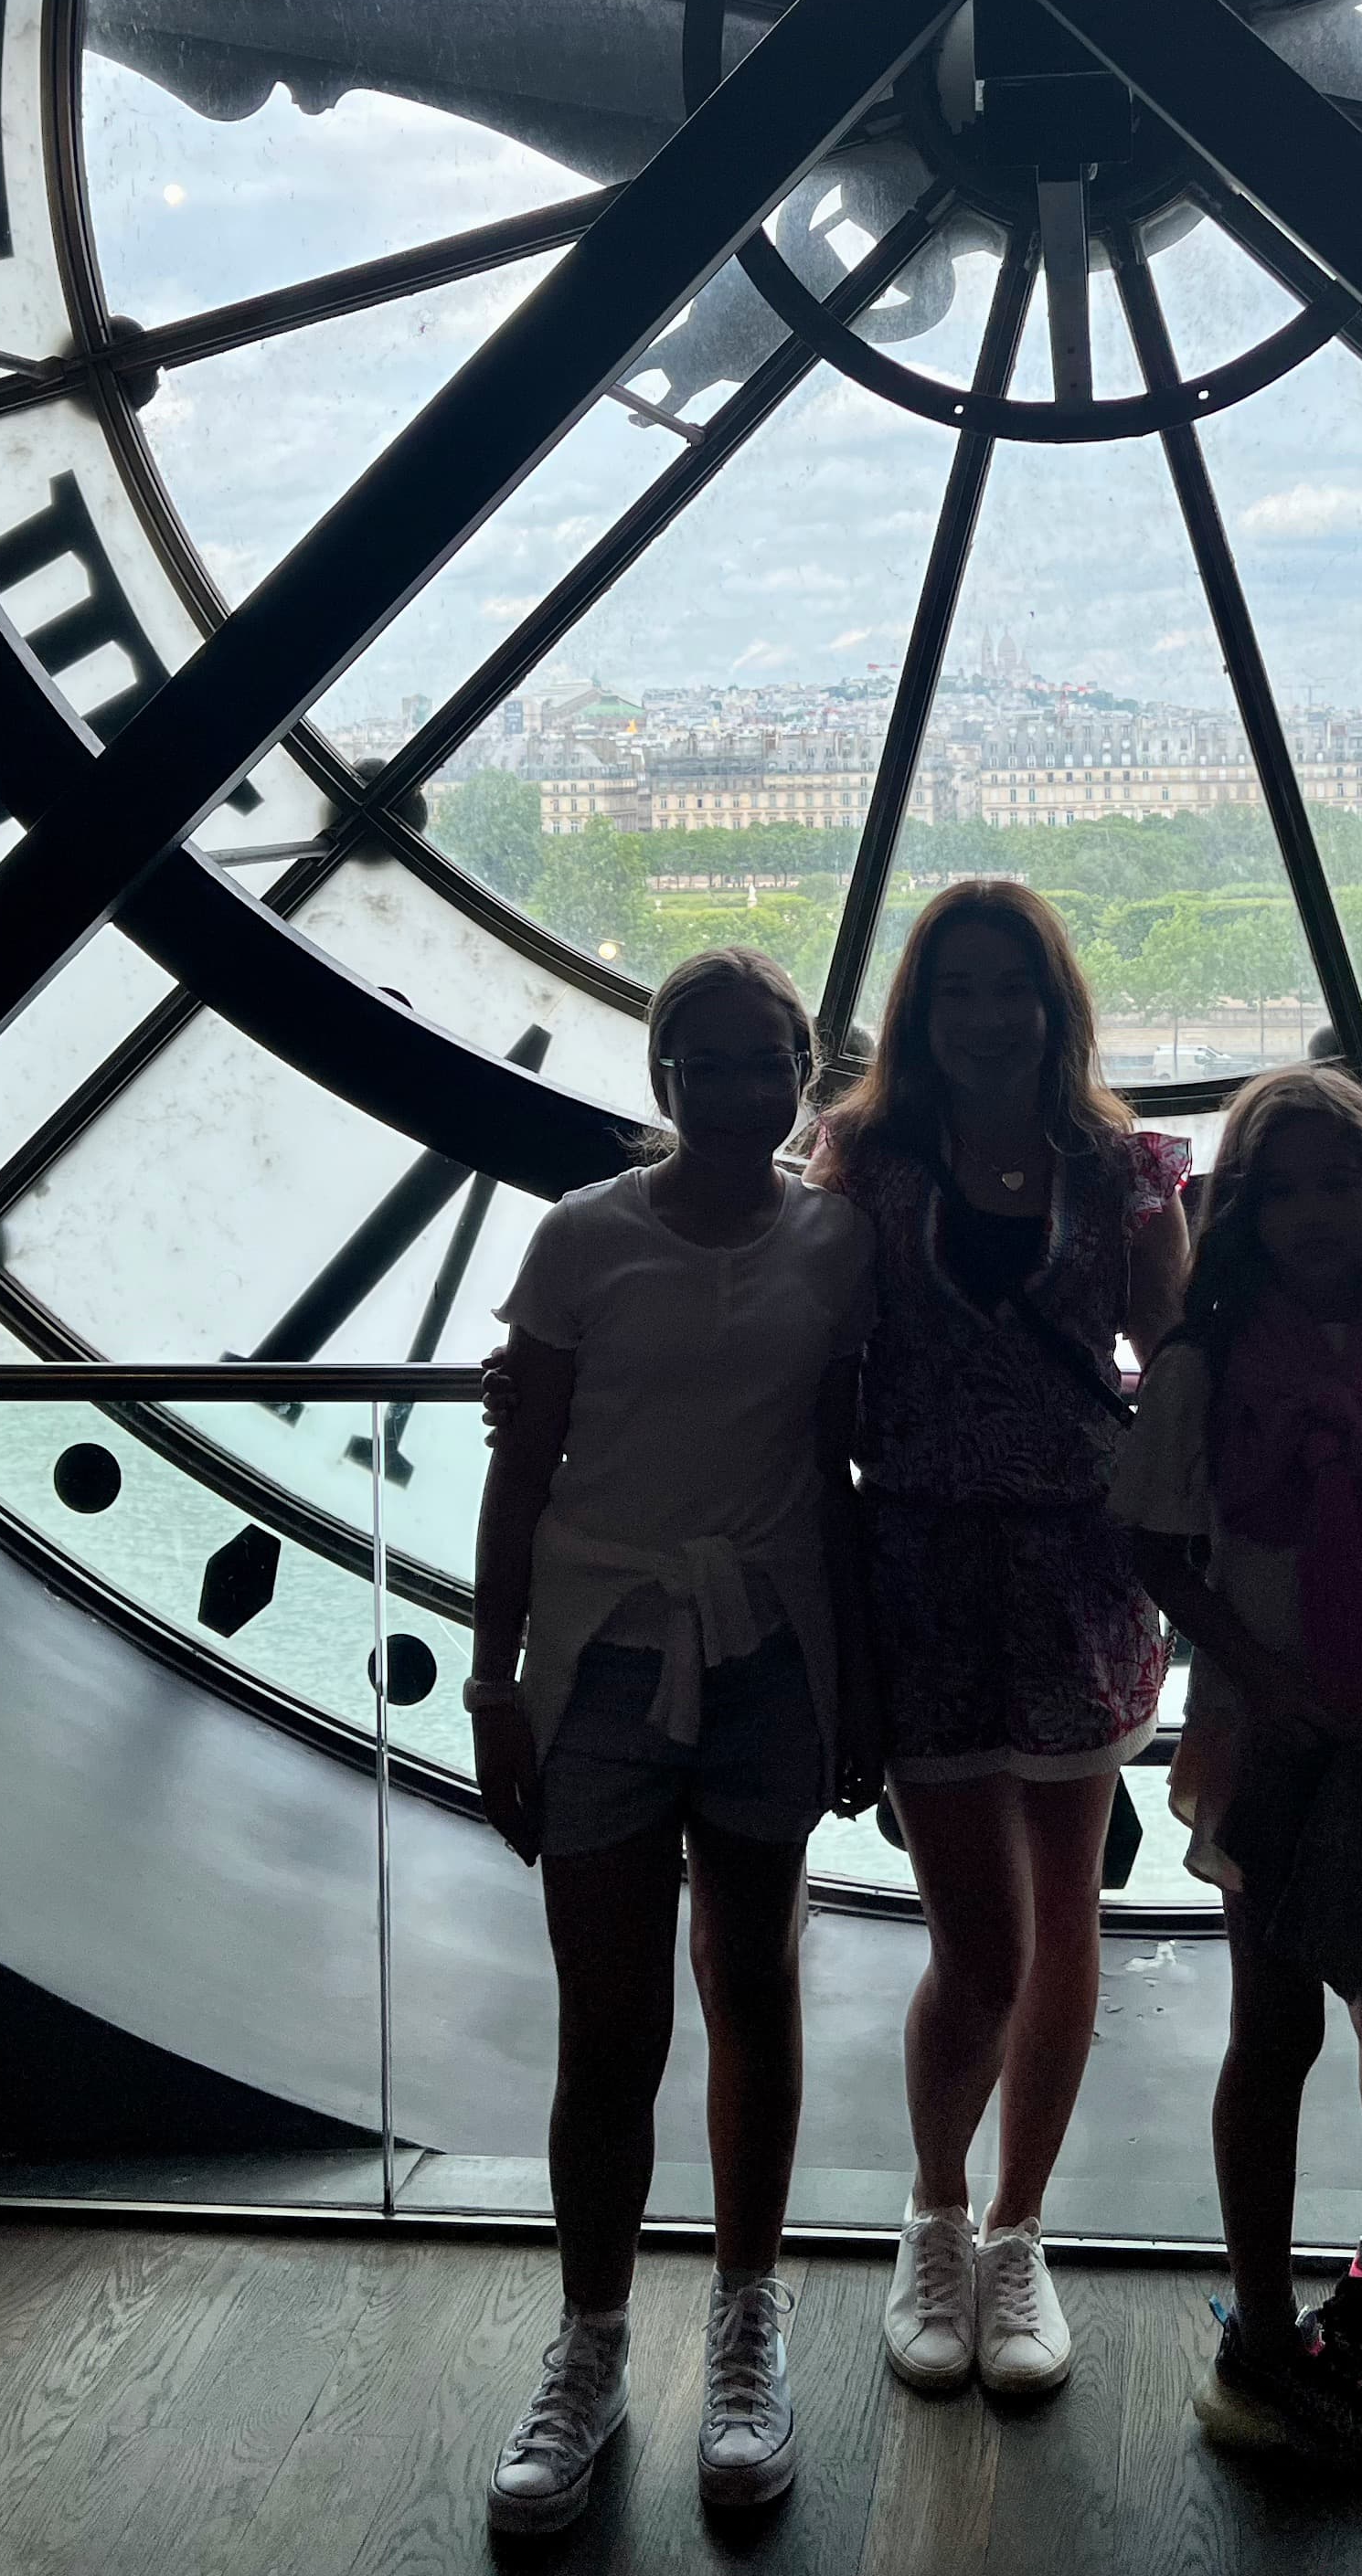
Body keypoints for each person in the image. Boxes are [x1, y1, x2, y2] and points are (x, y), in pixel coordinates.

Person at [465, 947, 881, 2537]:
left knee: (610, 2029)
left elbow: (524, 1476)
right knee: (750, 2000)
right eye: (715, 1065)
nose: (733, 1089)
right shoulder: (834, 1246)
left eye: (750, 1062)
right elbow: (839, 1476)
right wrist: (859, 1686)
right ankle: (742, 2333)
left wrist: (497, 1680)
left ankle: (592, 2349)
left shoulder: (580, 1241)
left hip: (601, 1669)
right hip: (767, 1660)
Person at [808, 881, 1190, 2402]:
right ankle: (1006, 2230)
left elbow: (808, 1370)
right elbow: (1178, 1374)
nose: (984, 1017)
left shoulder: (864, 1169)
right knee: (1042, 1935)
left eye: (1000, 988)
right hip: (1072, 1579)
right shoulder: (1122, 1175)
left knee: (983, 1943)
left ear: (1041, 1005)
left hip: (924, 1572)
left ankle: (951, 2214)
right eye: (963, 990)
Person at [1110, 1062, 1362, 2476]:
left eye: (1330, 1185)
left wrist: (1262, 1678)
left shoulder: (1206, 1374)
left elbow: (1158, 1551)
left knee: (1274, 2026)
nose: (1313, 1213)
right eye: (1289, 1192)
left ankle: (1268, 2335)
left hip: (1269, 1737)